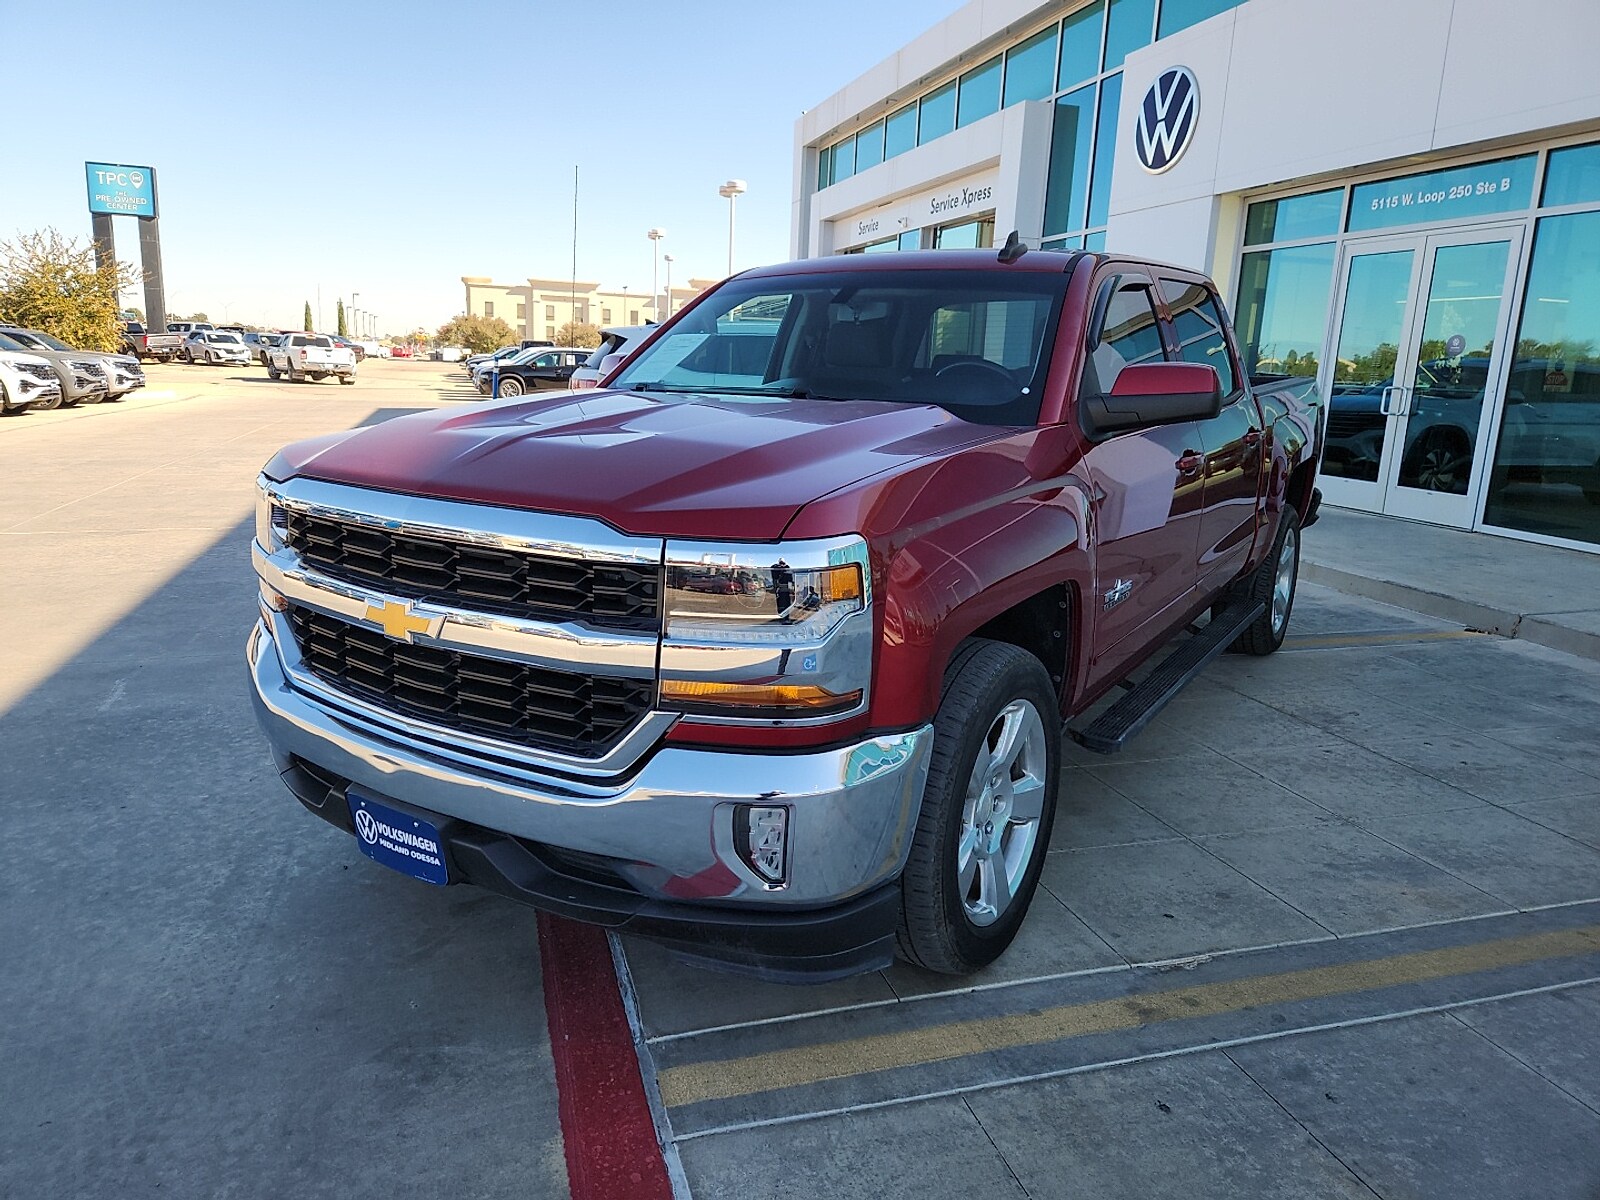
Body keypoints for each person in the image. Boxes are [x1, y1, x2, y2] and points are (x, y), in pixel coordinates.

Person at [771, 558, 794, 622]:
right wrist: (778, 567)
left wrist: (791, 589)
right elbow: (773, 573)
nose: (782, 565)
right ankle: (780, 617)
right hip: (779, 590)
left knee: (787, 604)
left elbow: (790, 579)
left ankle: (786, 618)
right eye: (780, 563)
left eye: (783, 563)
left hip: (786, 590)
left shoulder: (787, 568)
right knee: (779, 603)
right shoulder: (776, 568)